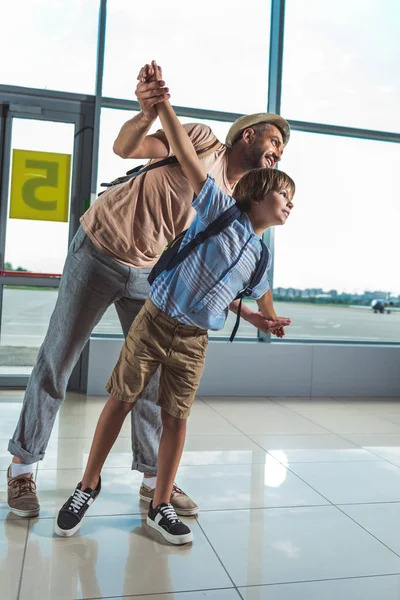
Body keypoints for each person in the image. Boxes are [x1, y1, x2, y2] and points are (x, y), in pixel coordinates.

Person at [7, 62, 291, 520]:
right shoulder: (203, 143)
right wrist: (147, 111)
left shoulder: (238, 207)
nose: (279, 151)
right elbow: (125, 147)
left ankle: (151, 481)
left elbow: (208, 273)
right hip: (99, 246)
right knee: (58, 357)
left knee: (154, 383)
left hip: (148, 274)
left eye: (282, 148)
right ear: (248, 135)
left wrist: (250, 311)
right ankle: (23, 468)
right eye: (274, 139)